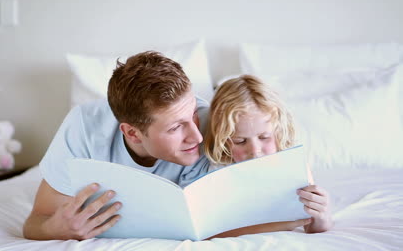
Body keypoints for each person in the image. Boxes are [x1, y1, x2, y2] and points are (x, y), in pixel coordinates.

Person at [23, 51, 211, 240]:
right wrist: (54, 230)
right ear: (132, 133)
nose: (197, 136)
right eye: (176, 127)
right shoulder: (84, 128)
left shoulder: (215, 125)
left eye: (193, 112)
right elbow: (36, 223)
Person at [204, 75, 334, 237]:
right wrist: (281, 225)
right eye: (240, 141)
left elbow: (313, 228)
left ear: (279, 131)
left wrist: (322, 215)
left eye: (264, 137)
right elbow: (213, 232)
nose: (255, 151)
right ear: (222, 139)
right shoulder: (217, 170)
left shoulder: (292, 166)